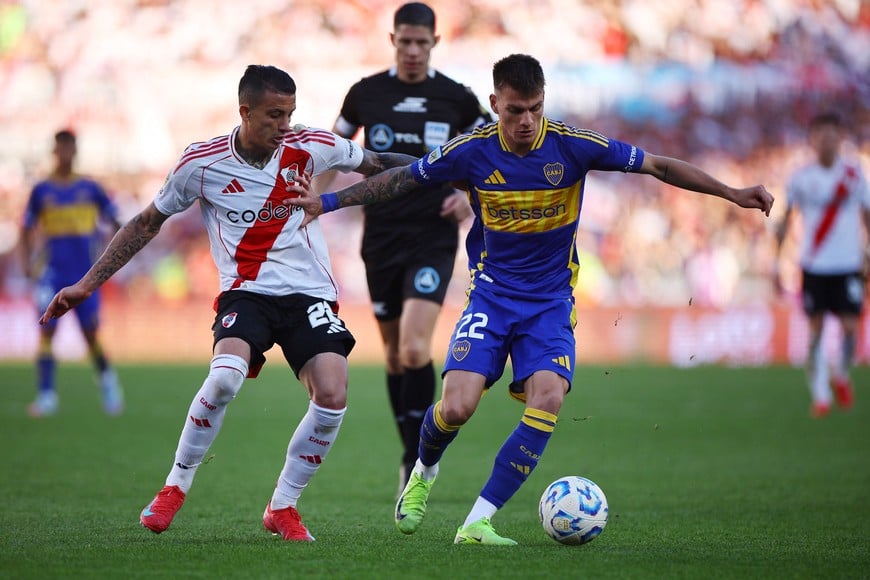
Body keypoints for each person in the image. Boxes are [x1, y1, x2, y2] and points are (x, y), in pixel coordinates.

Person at [286, 54, 774, 545]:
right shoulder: (471, 151)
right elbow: (404, 178)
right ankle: (423, 472)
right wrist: (326, 203)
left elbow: (660, 166)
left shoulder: (573, 146)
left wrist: (734, 192)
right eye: (515, 110)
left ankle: (477, 521)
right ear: (495, 103)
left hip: (550, 303)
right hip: (491, 299)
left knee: (549, 398)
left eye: (535, 109)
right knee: (456, 408)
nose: (525, 121)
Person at [39, 65, 416, 541]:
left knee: (334, 394)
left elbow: (382, 164)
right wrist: (87, 284)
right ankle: (174, 487)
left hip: (309, 293)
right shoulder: (201, 163)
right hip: (247, 291)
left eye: (290, 113)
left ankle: (283, 506)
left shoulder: (313, 147)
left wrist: (451, 165)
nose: (286, 125)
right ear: (245, 111)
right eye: (275, 115)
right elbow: (145, 224)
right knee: (223, 379)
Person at [316, 1, 492, 494]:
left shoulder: (457, 99)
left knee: (416, 346)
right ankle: (407, 454)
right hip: (382, 237)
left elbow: (492, 150)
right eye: (405, 41)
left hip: (432, 235)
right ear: (392, 41)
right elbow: (332, 150)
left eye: (422, 42)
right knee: (393, 356)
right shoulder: (364, 94)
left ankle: (421, 458)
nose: (413, 50)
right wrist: (312, 196)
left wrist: (467, 194)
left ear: (435, 43)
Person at [21, 129, 124, 418]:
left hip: (85, 275)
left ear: (75, 151)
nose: (65, 153)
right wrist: (28, 262)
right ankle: (46, 395)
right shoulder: (41, 190)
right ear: (54, 151)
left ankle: (108, 382)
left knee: (90, 333)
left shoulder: (90, 188)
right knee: (46, 329)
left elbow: (118, 223)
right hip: (51, 273)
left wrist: (109, 258)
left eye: (69, 148)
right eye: (60, 148)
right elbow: (26, 228)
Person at [775, 111, 868, 418]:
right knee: (815, 331)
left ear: (840, 138)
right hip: (814, 264)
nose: (826, 141)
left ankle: (840, 372)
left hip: (848, 263)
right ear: (812, 140)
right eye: (821, 135)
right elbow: (786, 221)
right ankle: (820, 394)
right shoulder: (801, 179)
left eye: (832, 135)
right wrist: (779, 261)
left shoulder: (854, 175)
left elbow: (867, 217)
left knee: (851, 327)